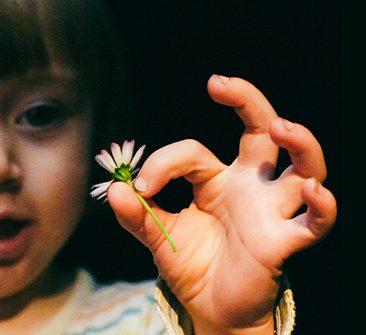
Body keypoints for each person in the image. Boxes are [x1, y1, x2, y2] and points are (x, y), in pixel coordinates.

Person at [0, 0, 337, 334]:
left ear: (98, 130)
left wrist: (230, 328)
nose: (2, 167)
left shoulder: (158, 322)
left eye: (39, 114)